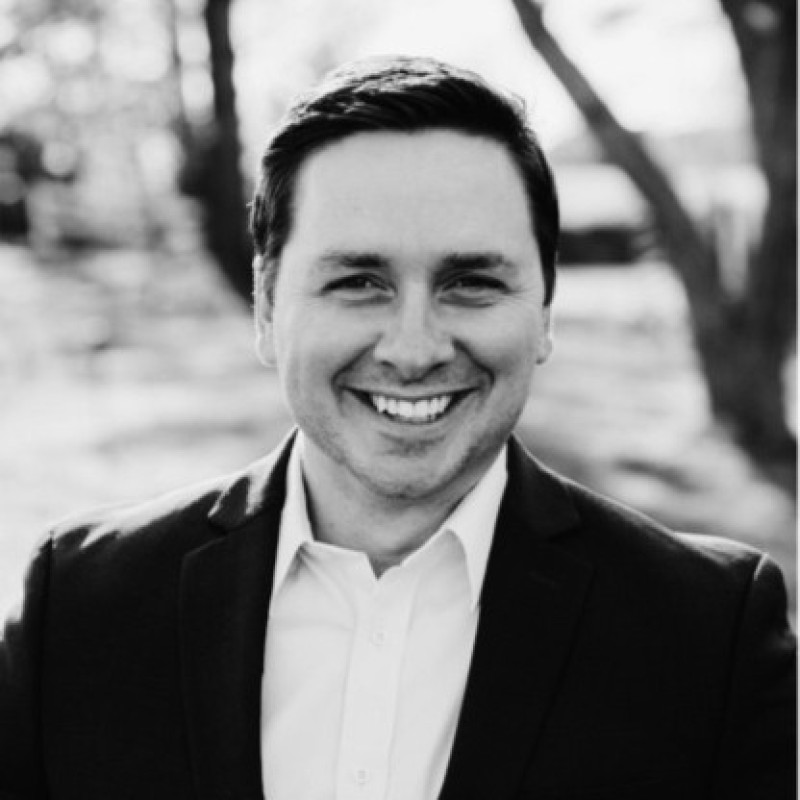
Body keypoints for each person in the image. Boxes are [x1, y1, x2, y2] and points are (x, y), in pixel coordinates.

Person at [0, 56, 795, 800]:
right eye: (358, 281)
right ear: (268, 306)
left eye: (471, 282)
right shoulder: (81, 605)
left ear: (545, 310)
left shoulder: (708, 636)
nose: (414, 351)